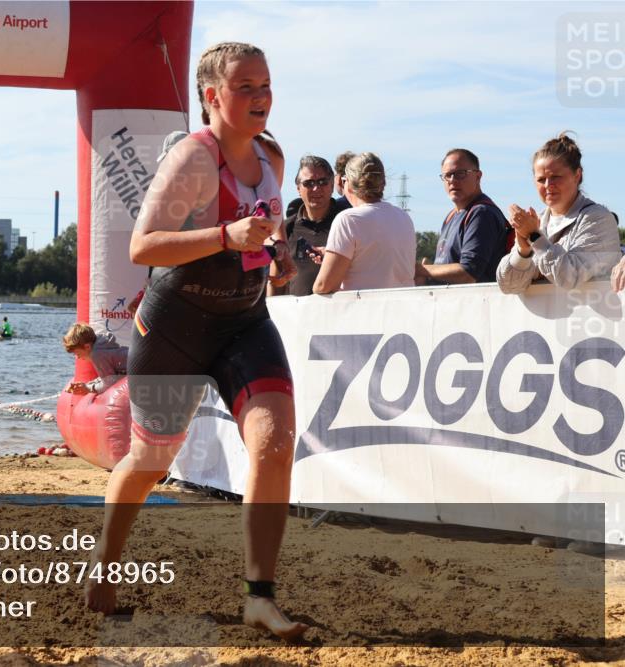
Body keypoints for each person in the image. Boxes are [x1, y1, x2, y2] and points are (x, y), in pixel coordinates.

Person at [84, 42, 304, 641]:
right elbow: (143, 247)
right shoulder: (193, 160)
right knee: (150, 461)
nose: (261, 98)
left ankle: (259, 595)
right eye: (246, 88)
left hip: (244, 321)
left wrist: (273, 257)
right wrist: (227, 235)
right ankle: (107, 556)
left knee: (274, 441)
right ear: (212, 96)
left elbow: (259, 240)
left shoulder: (271, 158)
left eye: (265, 85)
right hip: (176, 325)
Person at [498, 133, 621, 293]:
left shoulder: (598, 218)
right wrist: (523, 251)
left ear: (577, 175)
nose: (548, 185)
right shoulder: (539, 221)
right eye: (541, 180)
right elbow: (509, 286)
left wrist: (534, 236)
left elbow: (569, 276)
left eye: (555, 177)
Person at [312, 152, 416, 294]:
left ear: (347, 183)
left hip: (364, 312)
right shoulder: (403, 218)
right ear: (383, 183)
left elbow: (323, 286)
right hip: (402, 311)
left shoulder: (348, 219)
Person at [415, 149, 509, 285]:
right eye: (447, 175)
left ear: (478, 176)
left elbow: (469, 273)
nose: (452, 180)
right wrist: (427, 278)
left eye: (460, 174)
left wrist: (422, 270)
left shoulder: (482, 213)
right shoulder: (451, 216)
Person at [281, 155, 350, 296]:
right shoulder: (286, 228)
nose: (316, 188)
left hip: (341, 313)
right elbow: (278, 278)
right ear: (298, 189)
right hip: (297, 315)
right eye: (309, 183)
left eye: (322, 182)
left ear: (332, 185)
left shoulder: (348, 222)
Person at [62, 323, 128, 395]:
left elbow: (109, 384)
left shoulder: (97, 354)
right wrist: (87, 385)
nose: (77, 357)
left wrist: (87, 388)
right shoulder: (101, 347)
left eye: (77, 353)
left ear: (87, 347)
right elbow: (108, 377)